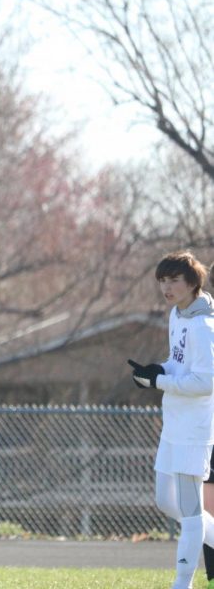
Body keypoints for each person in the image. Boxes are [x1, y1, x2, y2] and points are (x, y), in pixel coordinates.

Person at [128, 250, 214, 589]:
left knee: (191, 513)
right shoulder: (177, 316)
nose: (167, 287)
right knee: (166, 500)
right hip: (173, 424)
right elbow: (179, 365)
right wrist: (158, 369)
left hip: (195, 429)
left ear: (192, 283)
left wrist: (159, 382)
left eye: (174, 280)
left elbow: (207, 382)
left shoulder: (204, 327)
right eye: (162, 281)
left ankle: (182, 584)